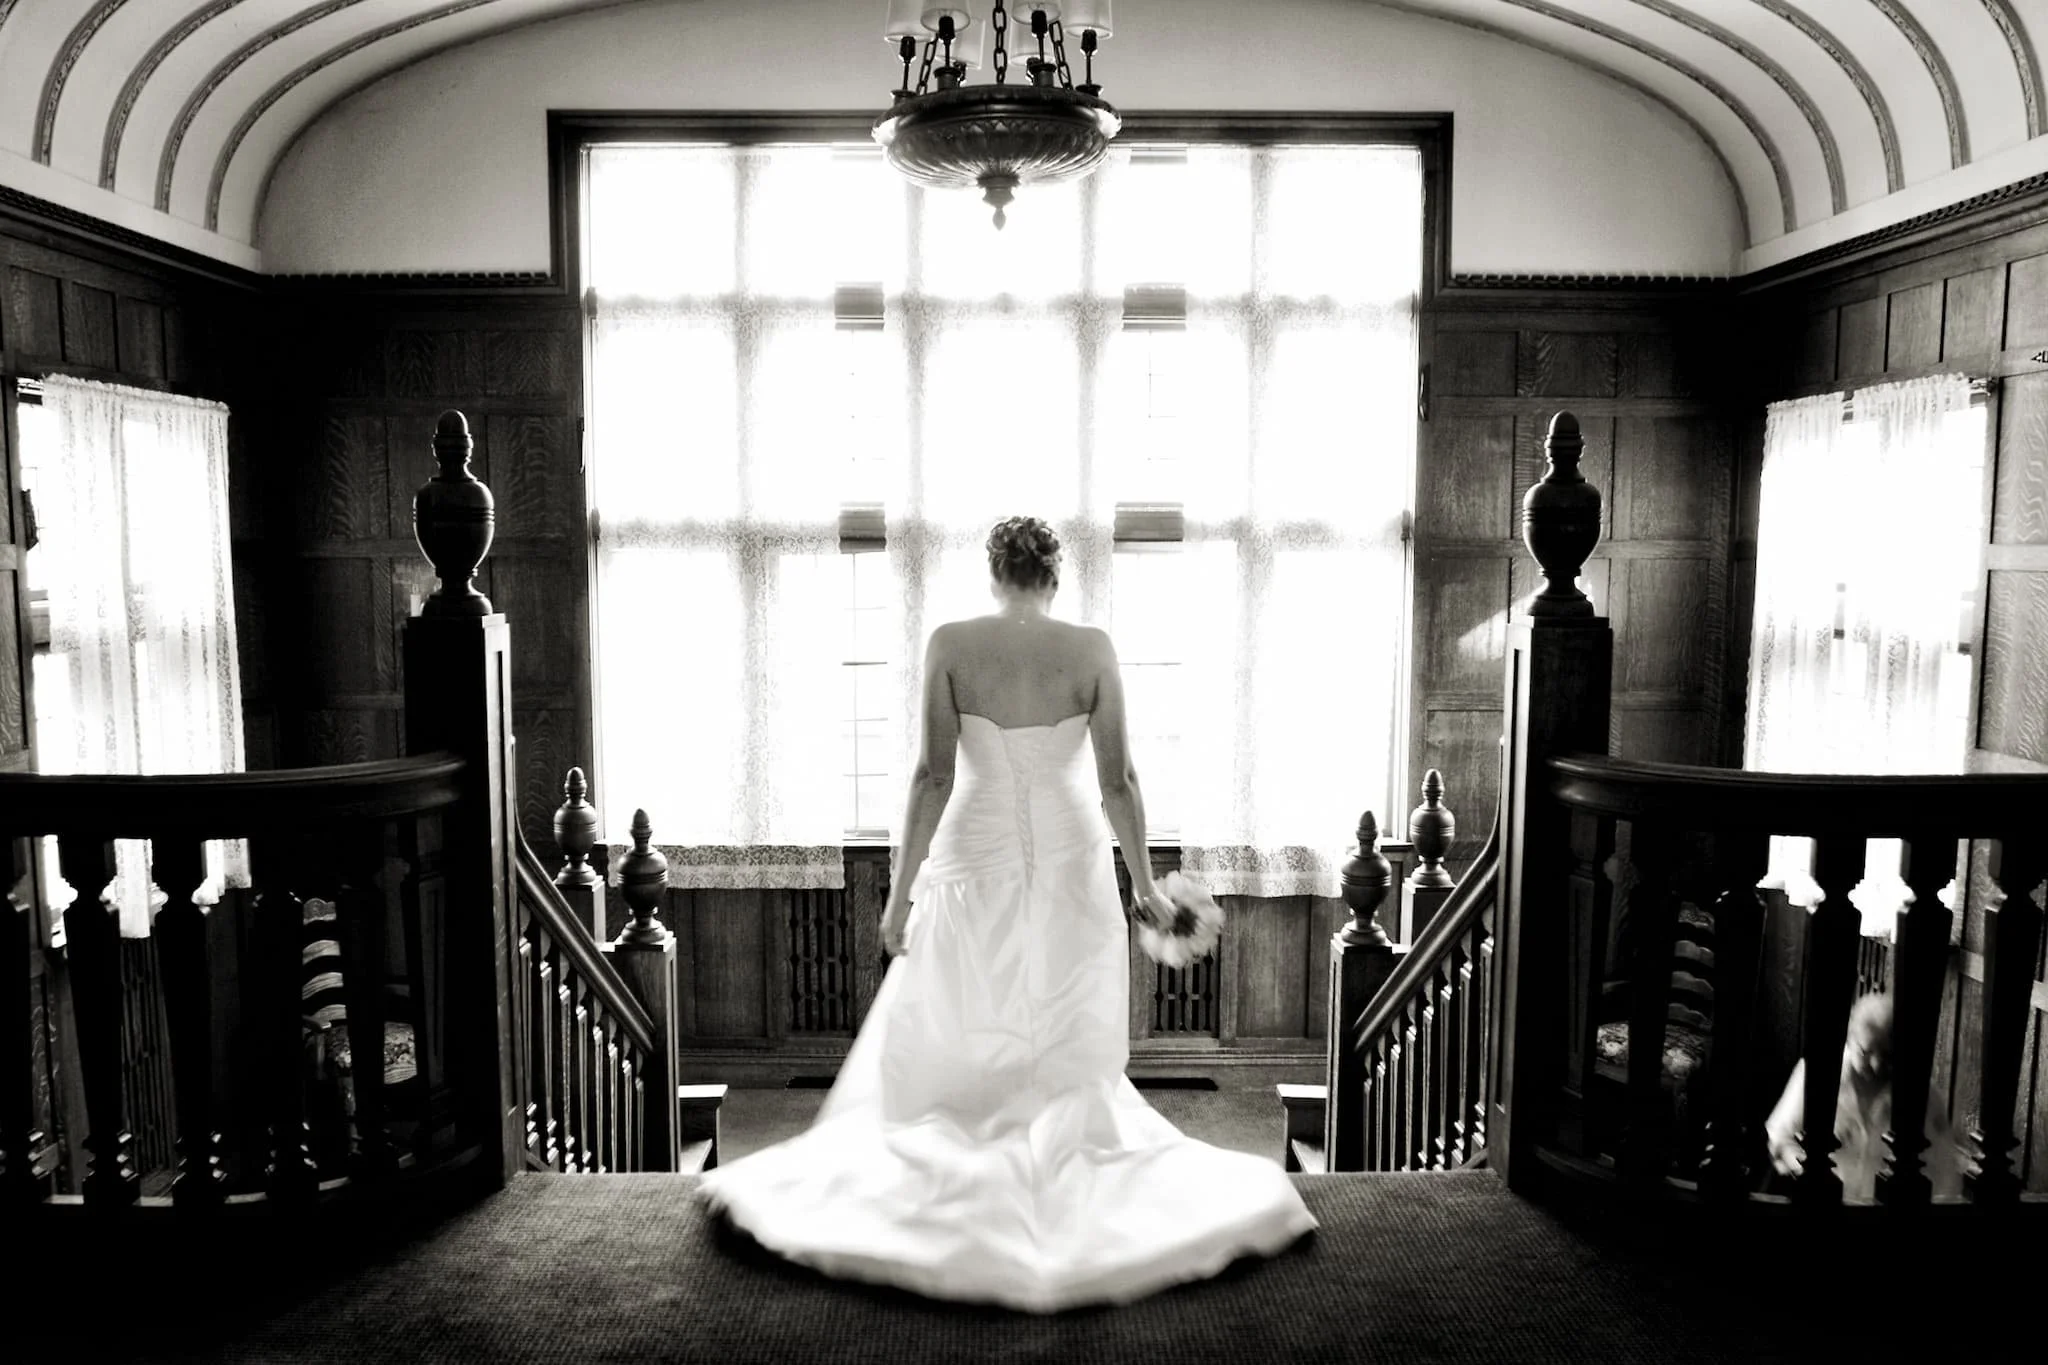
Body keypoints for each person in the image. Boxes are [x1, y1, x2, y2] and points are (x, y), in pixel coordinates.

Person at [696, 516, 1317, 1312]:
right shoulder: (1089, 648)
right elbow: (1119, 782)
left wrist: (897, 897)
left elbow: (929, 778)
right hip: (1070, 858)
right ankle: (1064, 1168)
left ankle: (954, 1169)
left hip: (973, 857)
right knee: (1060, 1031)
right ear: (1053, 576)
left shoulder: (952, 644)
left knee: (965, 1018)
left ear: (994, 575)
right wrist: (1146, 886)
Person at [1763, 992, 1964, 1202]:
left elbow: (1946, 1171)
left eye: (1888, 1055)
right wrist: (1804, 1167)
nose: (1876, 1065)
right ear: (1850, 1038)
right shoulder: (1816, 1075)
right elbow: (1779, 1134)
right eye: (1866, 1052)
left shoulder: (1925, 1096)